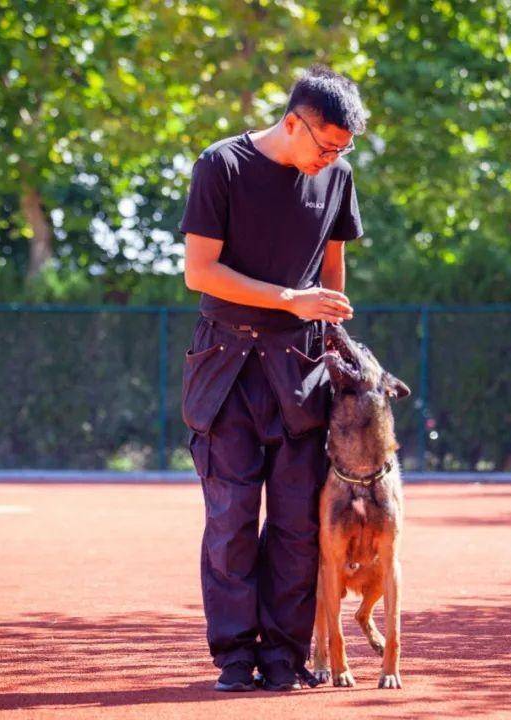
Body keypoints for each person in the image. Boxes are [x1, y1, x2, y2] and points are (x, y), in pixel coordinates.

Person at [178, 64, 366, 692]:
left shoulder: (337, 177)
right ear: (293, 122)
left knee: (296, 525)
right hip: (225, 369)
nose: (331, 158)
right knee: (230, 520)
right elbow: (200, 272)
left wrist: (335, 333)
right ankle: (234, 657)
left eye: (343, 149)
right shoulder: (220, 166)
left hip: (302, 373)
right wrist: (290, 297)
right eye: (325, 145)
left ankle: (284, 655)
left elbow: (332, 275)